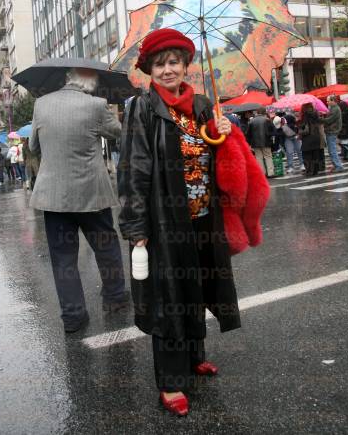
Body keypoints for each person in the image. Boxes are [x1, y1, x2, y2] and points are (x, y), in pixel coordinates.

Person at [118, 29, 269, 416]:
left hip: (205, 217)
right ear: (149, 70)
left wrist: (223, 136)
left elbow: (222, 158)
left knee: (199, 287)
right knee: (170, 298)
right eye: (160, 64)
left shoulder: (203, 105)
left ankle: (194, 354)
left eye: (174, 62)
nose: (168, 70)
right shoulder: (142, 108)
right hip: (166, 221)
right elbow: (133, 169)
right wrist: (136, 228)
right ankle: (170, 381)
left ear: (187, 66)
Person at [29, 67, 128, 334]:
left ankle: (73, 316)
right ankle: (115, 297)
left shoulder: (41, 103)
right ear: (90, 81)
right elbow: (119, 134)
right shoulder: (96, 105)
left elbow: (33, 148)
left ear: (68, 78)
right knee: (106, 248)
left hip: (54, 196)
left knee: (63, 259)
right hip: (92, 192)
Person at [247, 107, 275, 177]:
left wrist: (249, 143)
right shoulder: (267, 120)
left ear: (257, 112)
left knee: (259, 158)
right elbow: (273, 131)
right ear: (264, 112)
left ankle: (262, 173)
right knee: (268, 157)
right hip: (266, 141)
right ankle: (270, 173)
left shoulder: (251, 121)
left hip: (255, 143)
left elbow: (248, 134)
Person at [298, 103, 322, 176]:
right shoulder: (316, 114)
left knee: (306, 155)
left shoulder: (305, 115)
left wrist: (298, 123)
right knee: (315, 154)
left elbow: (303, 126)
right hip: (316, 136)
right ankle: (315, 170)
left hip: (308, 137)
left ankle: (309, 170)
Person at [322, 95, 343, 172]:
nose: (327, 102)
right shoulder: (332, 108)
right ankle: (336, 165)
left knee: (332, 150)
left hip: (332, 131)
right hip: (331, 131)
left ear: (333, 101)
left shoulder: (335, 109)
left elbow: (329, 120)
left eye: (328, 101)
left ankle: (338, 166)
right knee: (331, 150)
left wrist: (321, 119)